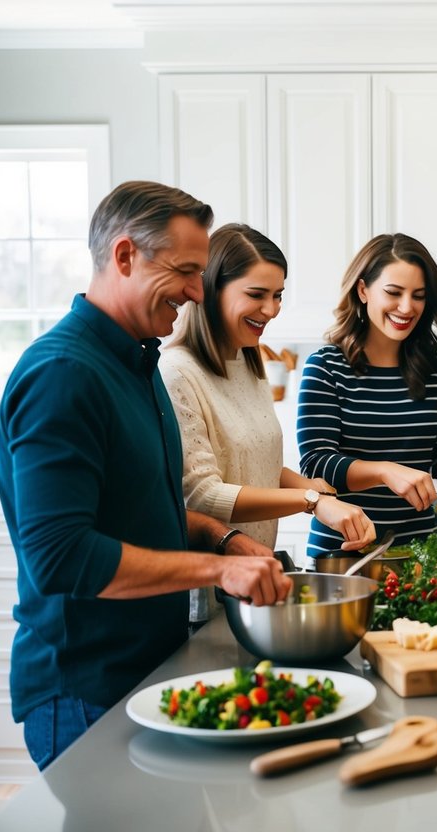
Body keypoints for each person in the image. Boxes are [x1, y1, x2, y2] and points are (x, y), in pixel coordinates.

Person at [0, 181, 292, 769]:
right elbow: (62, 557)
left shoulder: (138, 362)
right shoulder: (63, 373)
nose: (194, 290)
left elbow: (145, 508)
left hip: (145, 667)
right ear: (125, 255)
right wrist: (218, 568)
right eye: (185, 270)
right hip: (83, 687)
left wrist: (222, 537)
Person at [160, 223, 377, 622]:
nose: (272, 309)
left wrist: (309, 488)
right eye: (256, 295)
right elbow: (202, 496)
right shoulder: (178, 373)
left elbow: (255, 463)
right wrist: (312, 503)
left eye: (277, 295)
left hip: (253, 581)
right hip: (212, 588)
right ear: (209, 290)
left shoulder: (248, 360)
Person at [296, 233, 437, 555]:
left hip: (422, 552)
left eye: (418, 296)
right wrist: (384, 471)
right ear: (363, 290)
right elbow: (315, 465)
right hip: (344, 553)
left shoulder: (433, 365)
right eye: (394, 293)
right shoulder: (326, 366)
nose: (407, 307)